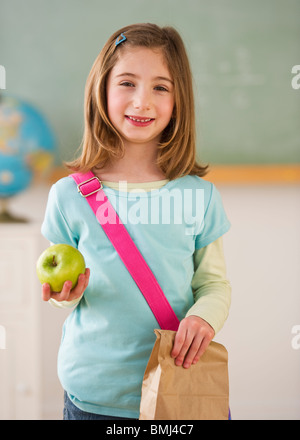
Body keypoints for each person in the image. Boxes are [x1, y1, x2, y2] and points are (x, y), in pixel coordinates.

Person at [41, 23, 231, 420]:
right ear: (102, 90)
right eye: (127, 83)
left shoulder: (198, 195)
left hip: (180, 393)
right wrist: (66, 295)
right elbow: (69, 291)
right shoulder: (68, 196)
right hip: (94, 398)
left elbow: (213, 284)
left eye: (160, 87)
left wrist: (203, 317)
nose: (142, 101)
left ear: (179, 100)